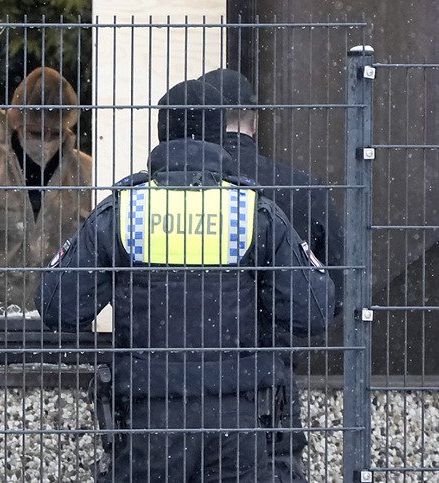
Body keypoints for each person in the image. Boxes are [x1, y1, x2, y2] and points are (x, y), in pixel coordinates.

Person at [37, 79, 335, 482]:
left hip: (148, 422)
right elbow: (313, 311)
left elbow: (59, 305)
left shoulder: (126, 209)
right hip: (236, 421)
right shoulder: (252, 211)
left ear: (163, 134)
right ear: (219, 134)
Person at [199, 68, 344, 482]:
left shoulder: (174, 195)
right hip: (272, 377)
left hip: (189, 380)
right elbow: (340, 287)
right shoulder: (302, 188)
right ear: (255, 120)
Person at [0, 67, 92, 315]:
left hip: (62, 326)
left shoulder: (89, 176)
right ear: (16, 122)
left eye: (55, 133)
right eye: (35, 133)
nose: (45, 141)